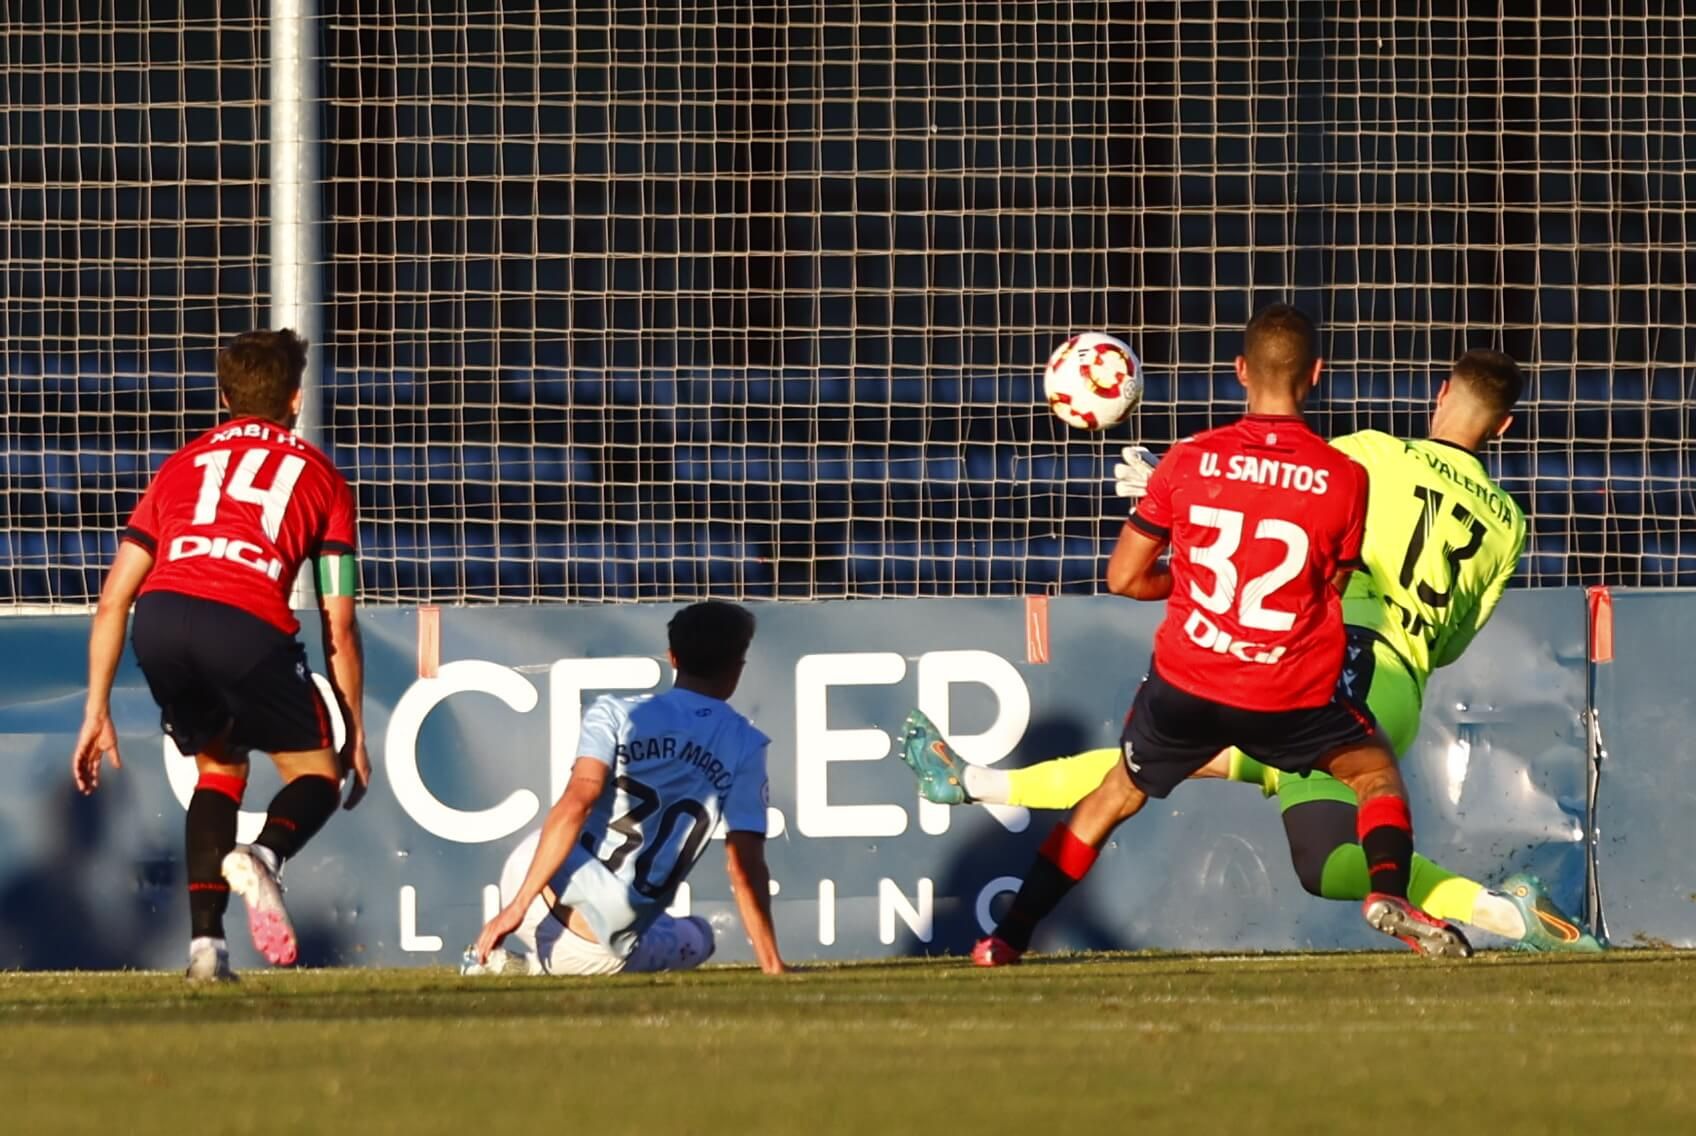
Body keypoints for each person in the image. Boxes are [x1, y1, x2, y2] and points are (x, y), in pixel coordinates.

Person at [901, 349, 1601, 952]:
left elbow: (1282, 510)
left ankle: (975, 794)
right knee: (1324, 863)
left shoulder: (1368, 454)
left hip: (1322, 658)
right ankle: (1508, 914)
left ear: (1441, 393)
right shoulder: (1508, 521)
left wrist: (1174, 498)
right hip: (1403, 683)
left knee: (1144, 772)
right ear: (1504, 426)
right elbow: (1451, 646)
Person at [961, 304, 1469, 967]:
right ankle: (1386, 894)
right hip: (1288, 690)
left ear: (1239, 372)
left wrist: (1190, 577)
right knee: (1374, 774)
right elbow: (1330, 591)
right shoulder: (1347, 478)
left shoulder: (1190, 459)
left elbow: (1123, 577)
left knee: (1113, 796)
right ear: (1315, 375)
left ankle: (1006, 938)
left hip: (1189, 682)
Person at [71, 329, 370, 981]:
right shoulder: (324, 480)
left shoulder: (182, 463)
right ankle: (263, 856)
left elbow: (113, 596)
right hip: (244, 623)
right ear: (295, 399)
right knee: (320, 773)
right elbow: (338, 622)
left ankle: (207, 950)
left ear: (224, 396)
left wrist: (96, 707)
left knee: (219, 767)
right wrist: (356, 729)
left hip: (160, 618)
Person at [466, 601, 785, 977]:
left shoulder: (613, 712)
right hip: (590, 943)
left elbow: (577, 802)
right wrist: (772, 965)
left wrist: (517, 906)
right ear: (738, 666)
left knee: (627, 891)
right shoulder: (745, 743)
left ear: (672, 657)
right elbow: (743, 865)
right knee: (699, 936)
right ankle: (533, 967)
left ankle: (510, 960)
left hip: (528, 873)